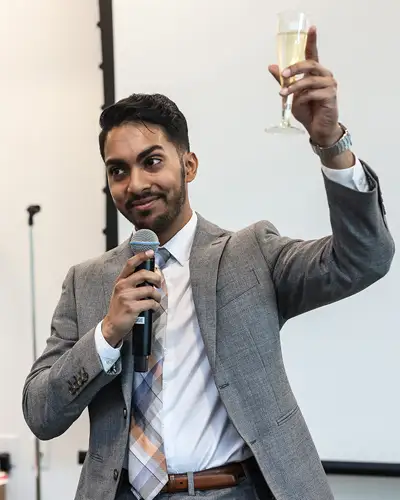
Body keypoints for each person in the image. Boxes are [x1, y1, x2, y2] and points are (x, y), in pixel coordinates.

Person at [23, 27, 394, 500]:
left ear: (189, 166)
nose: (135, 183)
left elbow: (364, 259)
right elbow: (40, 412)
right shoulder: (87, 282)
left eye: (151, 161)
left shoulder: (249, 254)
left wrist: (330, 142)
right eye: (118, 170)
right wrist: (107, 334)